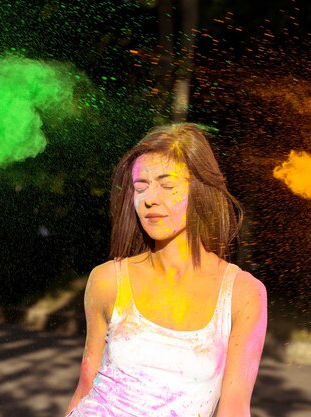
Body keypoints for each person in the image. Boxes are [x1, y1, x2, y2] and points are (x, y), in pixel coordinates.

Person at [65, 123, 267, 417]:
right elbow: (85, 385)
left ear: (199, 189)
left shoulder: (243, 294)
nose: (149, 198)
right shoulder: (108, 280)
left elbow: (235, 408)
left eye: (167, 185)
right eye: (140, 187)